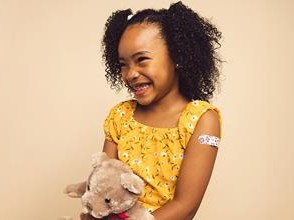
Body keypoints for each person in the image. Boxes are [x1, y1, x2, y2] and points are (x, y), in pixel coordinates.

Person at [82, 1, 222, 219]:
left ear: (177, 57)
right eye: (123, 64)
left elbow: (185, 205)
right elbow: (103, 185)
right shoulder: (120, 116)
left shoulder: (201, 120)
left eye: (142, 60)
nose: (130, 74)